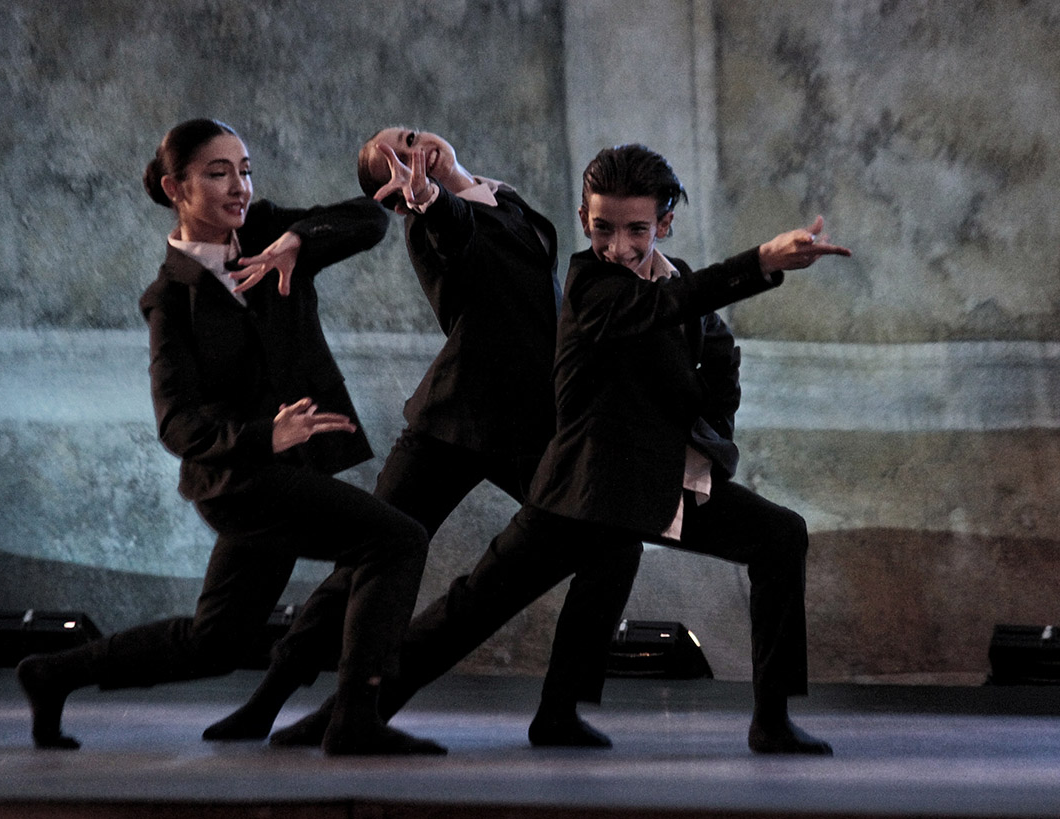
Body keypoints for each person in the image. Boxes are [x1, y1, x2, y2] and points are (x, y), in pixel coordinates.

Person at [269, 144, 851, 755]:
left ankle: (768, 720)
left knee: (780, 535)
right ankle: (345, 715)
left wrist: (708, 427)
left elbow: (716, 350)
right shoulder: (592, 285)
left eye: (637, 230)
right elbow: (663, 308)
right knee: (470, 610)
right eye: (603, 228)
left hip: (659, 485)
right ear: (582, 219)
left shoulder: (676, 277)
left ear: (665, 224)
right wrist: (760, 262)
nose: (618, 246)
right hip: (583, 490)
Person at [15, 118, 443, 757]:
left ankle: (52, 673)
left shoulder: (268, 232)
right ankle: (356, 716)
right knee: (396, 539)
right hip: (240, 483)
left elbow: (368, 219)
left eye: (244, 170)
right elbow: (176, 424)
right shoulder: (169, 300)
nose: (240, 186)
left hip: (286, 475)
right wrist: (264, 437)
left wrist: (297, 239)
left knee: (216, 643)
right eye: (219, 173)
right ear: (176, 188)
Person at [201, 127, 563, 742]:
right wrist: (430, 201)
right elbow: (454, 233)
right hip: (452, 424)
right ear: (397, 198)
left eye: (412, 138)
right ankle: (269, 698)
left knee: (596, 540)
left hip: (531, 427)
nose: (416, 152)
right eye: (396, 159)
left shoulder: (505, 198)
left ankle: (557, 711)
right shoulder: (433, 224)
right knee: (361, 565)